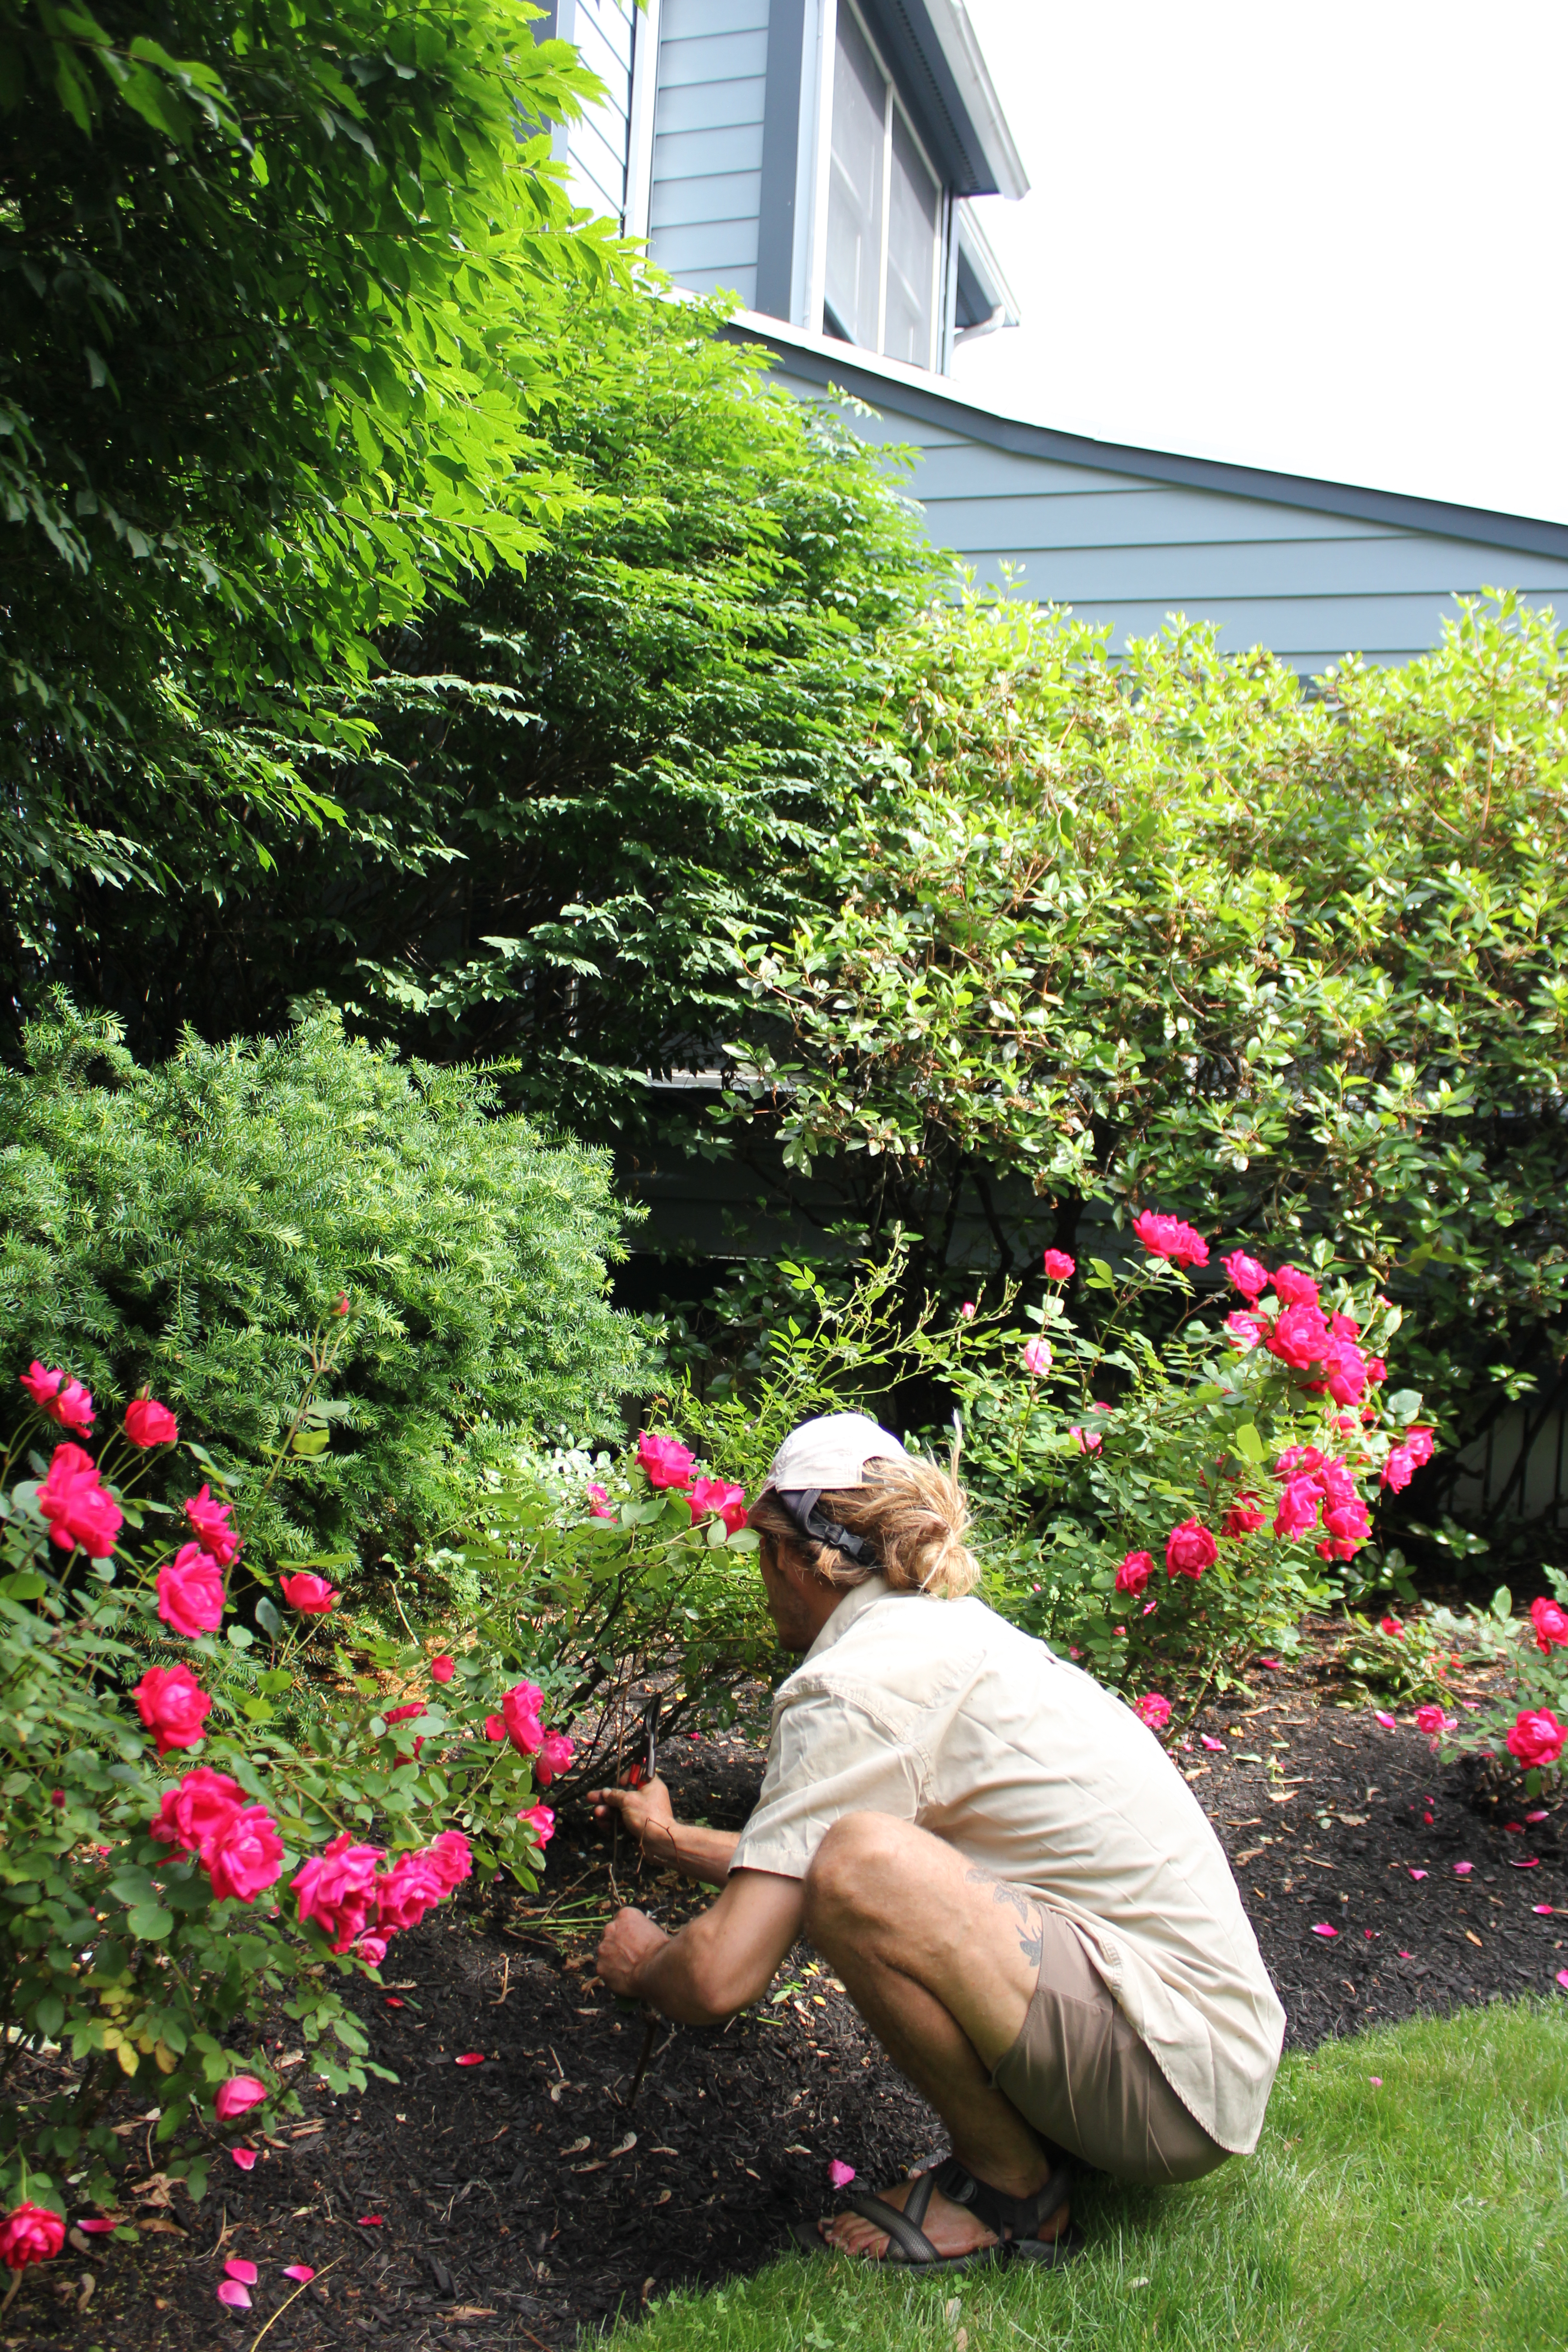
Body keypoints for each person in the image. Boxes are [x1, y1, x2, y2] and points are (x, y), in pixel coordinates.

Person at [592, 1412, 1286, 2271]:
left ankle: (1012, 2193)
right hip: (1194, 2057)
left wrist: (643, 1961)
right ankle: (1038, 2152)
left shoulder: (852, 1684)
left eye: (760, 1558)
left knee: (861, 1864)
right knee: (855, 1862)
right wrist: (666, 1840)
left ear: (787, 1555)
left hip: (1169, 2088)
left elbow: (718, 1974)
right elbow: (794, 1868)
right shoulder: (936, 1634)